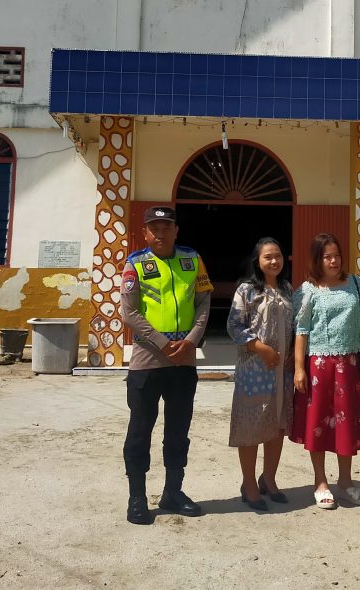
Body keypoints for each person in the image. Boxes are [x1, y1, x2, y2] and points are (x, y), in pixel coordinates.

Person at [119, 205, 213, 525]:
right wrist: (161, 342)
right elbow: (129, 312)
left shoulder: (192, 259)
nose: (160, 233)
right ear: (145, 232)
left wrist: (191, 339)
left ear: (176, 230)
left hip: (184, 361)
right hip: (147, 360)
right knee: (140, 431)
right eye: (153, 228)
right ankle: (137, 498)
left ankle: (173, 492)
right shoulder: (135, 264)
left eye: (166, 227)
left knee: (177, 431)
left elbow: (203, 303)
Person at [290, 233, 360, 510]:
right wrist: (298, 369)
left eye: (336, 255)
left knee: (346, 422)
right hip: (317, 366)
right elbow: (301, 332)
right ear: (318, 259)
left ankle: (345, 480)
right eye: (327, 256)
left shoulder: (357, 285)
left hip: (349, 366)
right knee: (317, 423)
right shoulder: (308, 290)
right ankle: (320, 482)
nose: (333, 261)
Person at [227, 237, 295, 511]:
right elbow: (234, 325)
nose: (274, 261)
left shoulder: (288, 289)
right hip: (254, 369)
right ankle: (249, 484)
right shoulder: (246, 290)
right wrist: (261, 348)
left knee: (276, 425)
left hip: (284, 371)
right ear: (257, 260)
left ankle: (269, 479)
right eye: (268, 256)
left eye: (278, 255)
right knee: (252, 425)